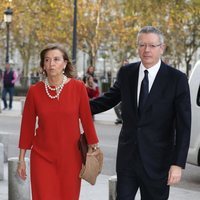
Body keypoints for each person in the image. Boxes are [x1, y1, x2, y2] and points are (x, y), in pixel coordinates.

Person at [90, 26, 191, 199]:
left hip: (158, 163)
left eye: (152, 45)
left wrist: (177, 164)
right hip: (127, 160)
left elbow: (184, 126)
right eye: (142, 45)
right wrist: (73, 106)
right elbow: (108, 100)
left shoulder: (177, 79)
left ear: (162, 48)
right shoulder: (127, 73)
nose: (146, 50)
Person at [17, 43, 99, 200]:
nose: (51, 63)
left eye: (56, 59)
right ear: (43, 65)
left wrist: (93, 146)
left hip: (71, 159)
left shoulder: (78, 87)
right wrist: (21, 160)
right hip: (42, 157)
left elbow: (87, 120)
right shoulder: (35, 91)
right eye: (47, 60)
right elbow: (26, 127)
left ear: (65, 63)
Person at [114, 59, 129, 125]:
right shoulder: (120, 72)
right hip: (122, 95)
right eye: (124, 64)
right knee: (117, 108)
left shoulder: (132, 73)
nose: (125, 65)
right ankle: (120, 119)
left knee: (123, 108)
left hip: (128, 96)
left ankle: (122, 119)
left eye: (127, 64)